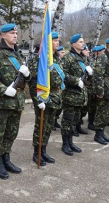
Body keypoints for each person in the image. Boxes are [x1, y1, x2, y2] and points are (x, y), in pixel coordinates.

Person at [0, 23, 31, 179]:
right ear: (3, 35)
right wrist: (4, 89)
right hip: (2, 103)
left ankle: (6, 158)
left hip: (17, 101)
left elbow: (24, 80)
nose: (15, 35)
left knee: (12, 132)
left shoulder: (19, 55)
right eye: (11, 33)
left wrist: (28, 75)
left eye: (16, 33)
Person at [28, 31, 64, 166]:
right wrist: (38, 100)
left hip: (55, 96)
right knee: (41, 126)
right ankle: (36, 153)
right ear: (48, 43)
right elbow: (33, 83)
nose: (58, 43)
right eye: (55, 41)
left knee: (48, 126)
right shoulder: (38, 59)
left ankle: (43, 150)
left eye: (58, 40)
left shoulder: (57, 57)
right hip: (43, 97)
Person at [60, 33, 92, 155]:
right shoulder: (68, 57)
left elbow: (86, 79)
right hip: (70, 95)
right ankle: (65, 144)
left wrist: (90, 75)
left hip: (80, 96)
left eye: (83, 42)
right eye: (80, 42)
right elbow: (63, 75)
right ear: (73, 44)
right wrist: (76, 81)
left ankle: (71, 142)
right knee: (67, 121)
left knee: (75, 120)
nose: (83, 44)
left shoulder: (83, 58)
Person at [53, 46, 66, 131]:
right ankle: (53, 122)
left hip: (61, 88)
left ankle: (55, 120)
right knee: (54, 109)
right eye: (62, 52)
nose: (63, 54)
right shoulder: (53, 60)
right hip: (54, 90)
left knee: (59, 107)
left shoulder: (60, 61)